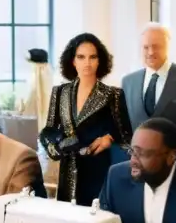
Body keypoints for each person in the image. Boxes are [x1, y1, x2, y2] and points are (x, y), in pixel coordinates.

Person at [41, 33, 131, 206]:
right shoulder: (60, 92)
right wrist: (56, 149)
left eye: (92, 57)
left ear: (100, 61)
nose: (87, 63)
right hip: (68, 173)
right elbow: (48, 131)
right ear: (73, 61)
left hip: (98, 171)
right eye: (81, 57)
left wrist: (109, 139)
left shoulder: (113, 95)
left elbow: (127, 136)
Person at [120, 23, 176, 141]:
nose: (150, 52)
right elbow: (124, 127)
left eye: (156, 46)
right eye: (146, 47)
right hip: (137, 157)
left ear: (167, 46)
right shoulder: (128, 83)